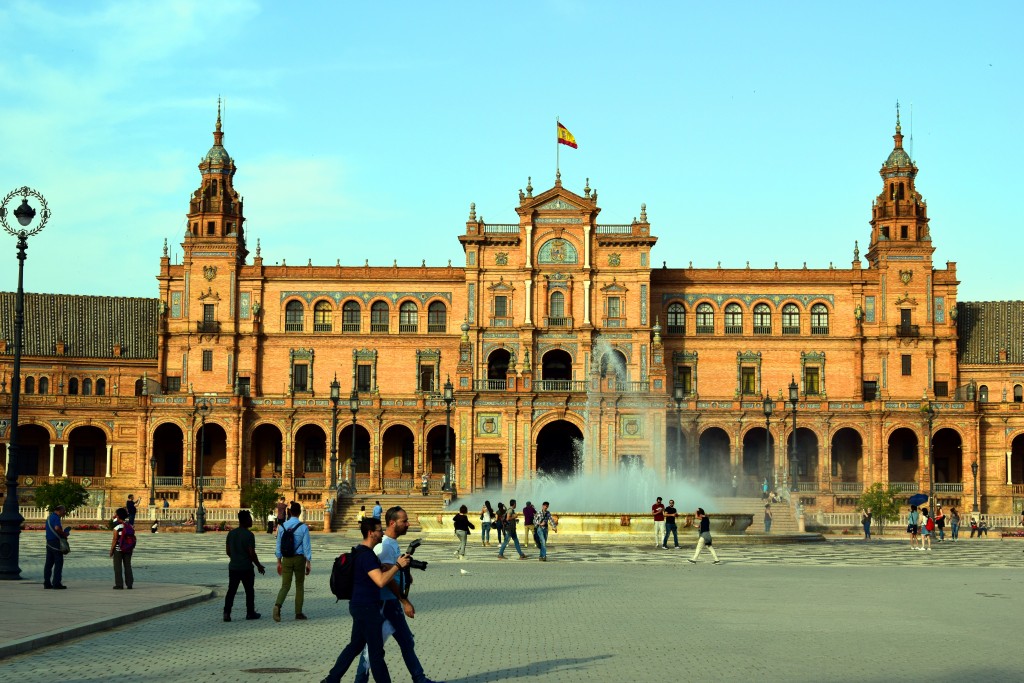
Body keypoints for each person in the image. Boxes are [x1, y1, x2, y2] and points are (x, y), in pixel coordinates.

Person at [352, 507, 442, 683]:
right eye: (404, 521)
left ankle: (419, 678)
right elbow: (387, 579)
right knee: (374, 647)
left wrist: (404, 574)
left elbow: (393, 571)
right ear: (392, 523)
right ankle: (361, 680)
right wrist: (405, 601)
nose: (408, 524)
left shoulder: (390, 543)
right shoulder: (386, 546)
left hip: (389, 602)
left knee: (403, 641)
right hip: (386, 604)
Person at [321, 517, 411, 683]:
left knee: (355, 646)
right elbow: (381, 581)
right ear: (371, 533)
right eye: (379, 530)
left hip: (358, 605)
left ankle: (331, 679)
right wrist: (397, 566)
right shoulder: (367, 556)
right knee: (376, 653)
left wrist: (384, 568)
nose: (382, 533)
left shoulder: (360, 551)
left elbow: (369, 574)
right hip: (367, 608)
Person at [224, 510, 266, 621]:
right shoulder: (249, 535)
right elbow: (252, 553)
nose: (251, 520)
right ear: (245, 520)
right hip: (246, 567)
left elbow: (228, 551)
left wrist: (235, 558)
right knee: (249, 591)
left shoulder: (231, 534)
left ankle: (227, 613)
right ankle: (250, 613)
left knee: (231, 591)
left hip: (233, 567)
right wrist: (258, 565)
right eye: (250, 518)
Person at [273, 501, 311, 621]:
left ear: (289, 512)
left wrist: (279, 561)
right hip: (299, 559)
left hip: (286, 559)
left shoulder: (282, 526)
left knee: (285, 585)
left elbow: (278, 545)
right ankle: (298, 612)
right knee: (299, 585)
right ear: (299, 513)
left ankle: (278, 605)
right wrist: (308, 562)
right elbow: (306, 547)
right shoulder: (303, 527)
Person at [43, 504, 69, 590]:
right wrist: (64, 534)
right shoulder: (56, 518)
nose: (64, 512)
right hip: (56, 543)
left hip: (49, 542)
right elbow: (57, 528)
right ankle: (56, 583)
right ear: (60, 511)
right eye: (64, 511)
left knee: (48, 564)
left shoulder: (49, 517)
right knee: (58, 563)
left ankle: (47, 583)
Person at [110, 507, 135, 590]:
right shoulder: (130, 526)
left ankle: (119, 584)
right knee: (128, 566)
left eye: (116, 514)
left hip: (118, 549)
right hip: (128, 549)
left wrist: (111, 550)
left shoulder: (117, 527)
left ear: (118, 516)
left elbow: (115, 539)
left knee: (118, 567)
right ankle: (129, 584)